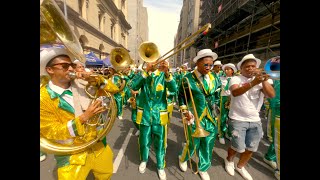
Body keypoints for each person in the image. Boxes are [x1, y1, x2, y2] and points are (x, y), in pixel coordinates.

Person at [40, 46, 119, 180]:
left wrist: (96, 79)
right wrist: (83, 118)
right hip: (72, 155)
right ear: (50, 70)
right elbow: (50, 131)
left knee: (105, 175)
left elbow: (114, 89)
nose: (71, 69)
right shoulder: (43, 97)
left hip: (97, 146)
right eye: (64, 66)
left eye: (71, 65)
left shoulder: (82, 83)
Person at [224, 54, 275, 180]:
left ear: (257, 67)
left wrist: (262, 80)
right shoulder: (236, 79)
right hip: (237, 119)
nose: (250, 68)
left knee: (251, 147)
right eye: (247, 66)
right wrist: (253, 82)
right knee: (237, 146)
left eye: (253, 66)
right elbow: (235, 92)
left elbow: (271, 95)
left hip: (255, 120)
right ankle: (229, 160)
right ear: (241, 69)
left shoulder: (261, 80)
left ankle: (240, 166)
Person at [129, 60, 177, 180]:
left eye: (155, 60)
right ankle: (144, 160)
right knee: (144, 141)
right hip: (145, 114)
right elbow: (133, 86)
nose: (152, 63)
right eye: (149, 60)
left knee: (160, 143)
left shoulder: (163, 75)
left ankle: (160, 166)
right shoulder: (143, 75)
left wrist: (167, 74)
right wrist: (145, 72)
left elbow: (174, 89)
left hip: (159, 115)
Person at [178, 49, 220, 180]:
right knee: (193, 143)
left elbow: (217, 95)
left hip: (212, 116)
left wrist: (217, 109)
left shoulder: (215, 77)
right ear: (198, 64)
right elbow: (181, 97)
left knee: (209, 143)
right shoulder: (187, 78)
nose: (209, 67)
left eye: (211, 65)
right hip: (195, 116)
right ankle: (183, 158)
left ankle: (203, 167)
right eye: (206, 65)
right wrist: (185, 112)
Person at [217, 63, 237, 145]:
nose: (226, 70)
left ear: (232, 71)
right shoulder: (220, 78)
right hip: (223, 98)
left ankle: (227, 133)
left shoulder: (236, 79)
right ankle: (220, 134)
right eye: (225, 69)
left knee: (231, 118)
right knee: (222, 117)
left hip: (233, 99)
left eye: (228, 69)